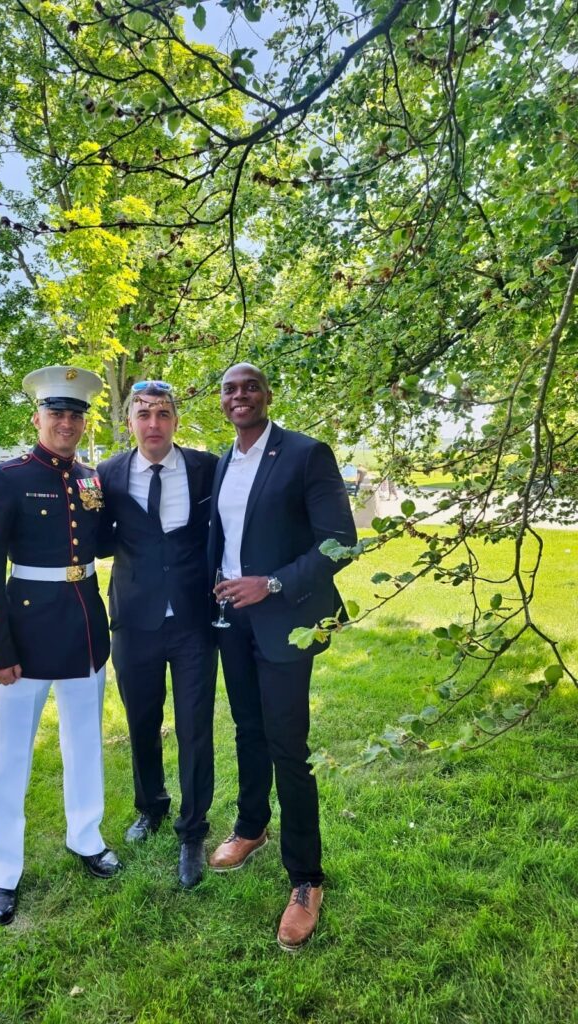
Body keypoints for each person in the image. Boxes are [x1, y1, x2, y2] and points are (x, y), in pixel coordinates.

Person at [207, 363, 357, 951]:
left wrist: (269, 584)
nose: (239, 396)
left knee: (287, 746)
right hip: (231, 622)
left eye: (249, 387)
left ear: (268, 396)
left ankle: (305, 879)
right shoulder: (225, 460)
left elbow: (341, 541)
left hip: (285, 620)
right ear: (221, 401)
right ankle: (250, 828)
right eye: (229, 389)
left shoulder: (304, 453)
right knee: (247, 729)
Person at [0, 365, 121, 928]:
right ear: (37, 417)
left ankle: (86, 837)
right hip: (25, 635)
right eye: (56, 412)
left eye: (76, 414)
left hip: (83, 624)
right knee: (11, 755)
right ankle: (2, 871)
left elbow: (104, 538)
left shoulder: (89, 477)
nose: (66, 422)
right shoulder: (6, 479)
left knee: (85, 742)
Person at [98, 382, 218, 888]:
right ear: (129, 421)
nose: (153, 424)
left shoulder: (206, 468)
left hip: (193, 620)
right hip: (133, 619)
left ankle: (193, 831)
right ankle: (151, 806)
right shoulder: (105, 475)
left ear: (175, 420)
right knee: (141, 721)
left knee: (195, 727)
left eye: (162, 414)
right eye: (143, 414)